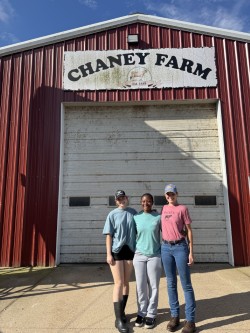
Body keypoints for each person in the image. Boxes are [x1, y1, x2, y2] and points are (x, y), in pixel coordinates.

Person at [161, 184, 196, 333]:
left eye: (172, 194)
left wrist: (191, 252)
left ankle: (190, 321)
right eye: (168, 194)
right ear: (165, 196)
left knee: (186, 284)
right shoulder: (163, 209)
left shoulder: (182, 209)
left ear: (177, 194)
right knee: (170, 283)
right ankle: (174, 316)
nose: (170, 196)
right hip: (165, 248)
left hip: (180, 247)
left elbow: (188, 231)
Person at [103, 190, 137, 333]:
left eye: (123, 198)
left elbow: (140, 227)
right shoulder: (112, 214)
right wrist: (108, 254)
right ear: (116, 201)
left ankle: (122, 313)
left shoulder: (133, 212)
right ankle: (118, 320)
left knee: (126, 282)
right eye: (119, 199)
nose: (121, 200)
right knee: (118, 283)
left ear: (127, 198)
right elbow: (109, 236)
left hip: (130, 250)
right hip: (116, 251)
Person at [133, 193, 162, 329]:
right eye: (143, 201)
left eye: (149, 201)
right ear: (141, 202)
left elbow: (167, 231)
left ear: (152, 202)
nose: (146, 203)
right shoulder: (136, 217)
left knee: (154, 286)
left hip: (154, 255)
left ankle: (151, 314)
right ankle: (141, 312)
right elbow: (131, 235)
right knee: (140, 286)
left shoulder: (158, 217)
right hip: (139, 255)